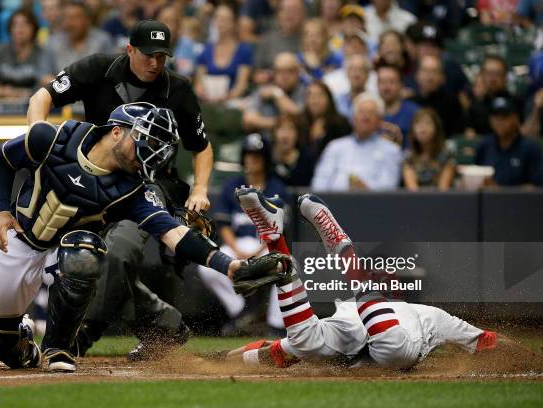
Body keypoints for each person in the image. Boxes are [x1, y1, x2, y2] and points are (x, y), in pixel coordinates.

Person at [0, 103, 265, 373]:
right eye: (144, 139)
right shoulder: (54, 137)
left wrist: (228, 265)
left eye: (155, 145)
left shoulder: (134, 190)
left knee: (84, 253)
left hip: (63, 255)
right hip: (20, 240)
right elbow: (4, 158)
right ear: (116, 131)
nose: (149, 151)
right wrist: (2, 212)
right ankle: (25, 346)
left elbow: (173, 233)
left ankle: (58, 347)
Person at [27, 19, 214, 360]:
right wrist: (37, 137)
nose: (155, 63)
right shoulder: (98, 68)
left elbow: (201, 145)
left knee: (119, 250)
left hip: (149, 183)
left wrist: (200, 189)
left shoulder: (178, 89)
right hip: (95, 180)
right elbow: (43, 96)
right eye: (148, 55)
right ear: (130, 50)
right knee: (85, 260)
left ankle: (80, 336)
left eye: (162, 56)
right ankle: (165, 324)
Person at [213, 186, 499, 370]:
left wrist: (221, 360)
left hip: (376, 335)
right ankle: (339, 247)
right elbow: (271, 351)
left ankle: (277, 243)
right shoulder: (360, 311)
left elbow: (485, 341)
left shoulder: (427, 315)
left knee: (313, 342)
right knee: (310, 343)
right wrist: (220, 360)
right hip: (365, 334)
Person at [198, 133, 288, 336]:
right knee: (206, 266)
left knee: (289, 266)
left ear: (265, 159)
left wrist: (258, 252)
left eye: (257, 155)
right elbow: (224, 225)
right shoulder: (232, 186)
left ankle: (276, 324)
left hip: (266, 247)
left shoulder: (276, 188)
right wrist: (237, 250)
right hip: (237, 245)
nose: (252, 160)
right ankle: (241, 313)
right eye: (248, 155)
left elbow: (278, 229)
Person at [312, 93, 402, 192]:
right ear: (353, 118)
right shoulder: (335, 146)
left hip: (373, 204)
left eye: (371, 113)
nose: (366, 117)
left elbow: (389, 186)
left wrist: (366, 188)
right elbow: (319, 183)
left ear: (379, 120)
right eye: (361, 112)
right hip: (333, 204)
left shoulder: (391, 150)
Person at [0, 8, 55, 99]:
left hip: (35, 102)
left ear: (34, 28)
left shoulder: (42, 53)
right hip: (4, 102)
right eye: (15, 24)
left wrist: (25, 93)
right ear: (10, 29)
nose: (20, 28)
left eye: (25, 24)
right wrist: (3, 92)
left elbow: (49, 81)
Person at [475, 96, 543, 187]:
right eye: (495, 116)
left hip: (518, 201)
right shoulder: (484, 146)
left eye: (504, 116)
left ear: (515, 118)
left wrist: (499, 191)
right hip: (485, 200)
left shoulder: (530, 148)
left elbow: (535, 188)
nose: (499, 122)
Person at [194, 4, 252, 103]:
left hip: (232, 101)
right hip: (208, 100)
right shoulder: (206, 49)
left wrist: (228, 97)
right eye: (217, 18)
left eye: (225, 19)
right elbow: (199, 82)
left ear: (233, 23)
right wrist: (201, 92)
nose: (220, 23)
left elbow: (241, 85)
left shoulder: (244, 50)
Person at [242, 52, 305, 134]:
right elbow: (248, 120)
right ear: (274, 73)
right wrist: (278, 124)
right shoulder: (265, 90)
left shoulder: (305, 91)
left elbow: (298, 117)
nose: (284, 76)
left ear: (297, 73)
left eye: (290, 71)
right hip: (265, 142)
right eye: (280, 71)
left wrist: (277, 94)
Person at [46, 0, 113, 71]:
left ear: (87, 20)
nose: (70, 23)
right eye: (66, 17)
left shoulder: (102, 41)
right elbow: (44, 74)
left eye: (76, 17)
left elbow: (110, 71)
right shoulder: (53, 42)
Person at [410, 54, 465, 137]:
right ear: (417, 75)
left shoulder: (452, 103)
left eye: (434, 71)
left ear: (442, 77)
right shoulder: (409, 103)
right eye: (425, 71)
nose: (430, 76)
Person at [403, 108, 456, 191]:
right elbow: (412, 191)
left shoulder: (447, 155)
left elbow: (443, 190)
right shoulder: (408, 156)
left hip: (441, 201)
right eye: (418, 123)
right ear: (412, 130)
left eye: (428, 123)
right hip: (416, 202)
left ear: (436, 128)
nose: (422, 128)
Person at [300, 80, 351, 157]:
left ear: (329, 99)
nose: (315, 100)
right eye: (310, 96)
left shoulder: (341, 124)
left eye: (320, 96)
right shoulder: (300, 123)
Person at [377, 63, 419, 149]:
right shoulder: (369, 112)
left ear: (401, 85)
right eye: (382, 82)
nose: (386, 87)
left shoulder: (414, 112)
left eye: (391, 82)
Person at [272, 114, 315, 187]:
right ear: (274, 133)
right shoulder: (268, 156)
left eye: (291, 129)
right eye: (281, 129)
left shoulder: (307, 157)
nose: (285, 135)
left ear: (298, 134)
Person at [335, 54, 372, 120]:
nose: (356, 74)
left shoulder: (375, 101)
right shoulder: (337, 101)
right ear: (347, 73)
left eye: (361, 70)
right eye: (352, 69)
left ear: (368, 74)